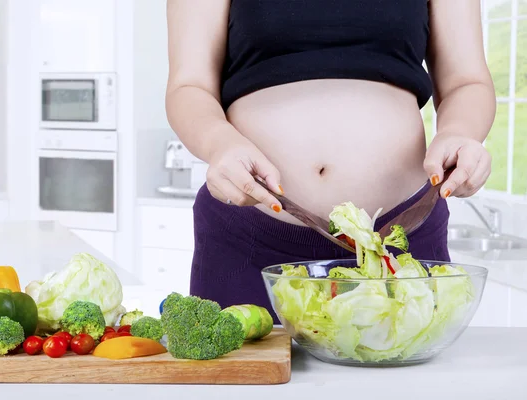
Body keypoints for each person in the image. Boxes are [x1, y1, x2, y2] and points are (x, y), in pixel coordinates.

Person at [165, 0, 496, 322]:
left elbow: (466, 81)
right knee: (242, 373)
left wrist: (459, 133)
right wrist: (220, 144)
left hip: (401, 243)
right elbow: (188, 85)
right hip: (250, 237)